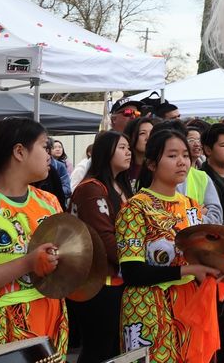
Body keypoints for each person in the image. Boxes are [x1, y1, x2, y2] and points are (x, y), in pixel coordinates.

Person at [116, 128, 223, 361]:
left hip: (189, 306)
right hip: (149, 309)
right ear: (152, 164)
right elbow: (132, 272)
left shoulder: (192, 206)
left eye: (185, 155)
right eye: (172, 156)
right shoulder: (136, 208)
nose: (182, 162)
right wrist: (190, 270)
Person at [0, 118, 68, 352]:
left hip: (52, 320)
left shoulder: (49, 202)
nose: (49, 154)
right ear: (19, 151)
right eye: (44, 146)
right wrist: (28, 263)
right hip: (0, 331)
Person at [69, 130, 134, 363]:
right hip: (98, 283)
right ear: (105, 152)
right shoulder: (91, 188)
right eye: (122, 148)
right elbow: (104, 239)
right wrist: (137, 263)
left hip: (120, 280)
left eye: (128, 148)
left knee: (116, 348)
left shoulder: (122, 186)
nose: (128, 152)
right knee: (99, 349)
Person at [124, 115, 160, 184]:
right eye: (142, 133)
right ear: (131, 137)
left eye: (152, 132)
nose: (148, 137)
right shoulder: (123, 168)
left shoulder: (159, 167)